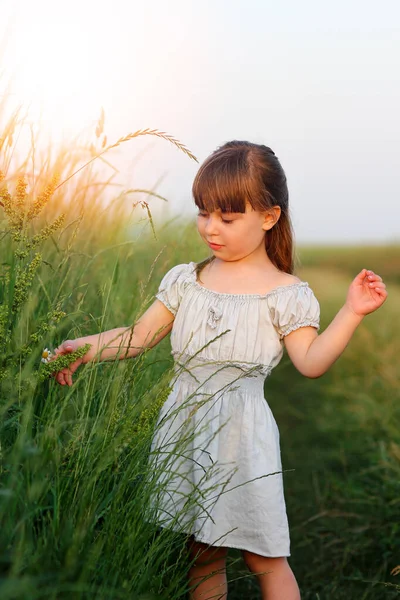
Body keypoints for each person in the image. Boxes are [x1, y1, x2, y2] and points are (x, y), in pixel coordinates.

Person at [53, 141, 387, 600]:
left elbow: (310, 362)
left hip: (242, 438)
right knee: (201, 550)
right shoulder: (186, 280)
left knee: (264, 555)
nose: (211, 228)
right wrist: (83, 348)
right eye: (203, 213)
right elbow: (137, 336)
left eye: (227, 218)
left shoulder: (284, 293)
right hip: (185, 429)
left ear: (269, 217)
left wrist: (351, 311)